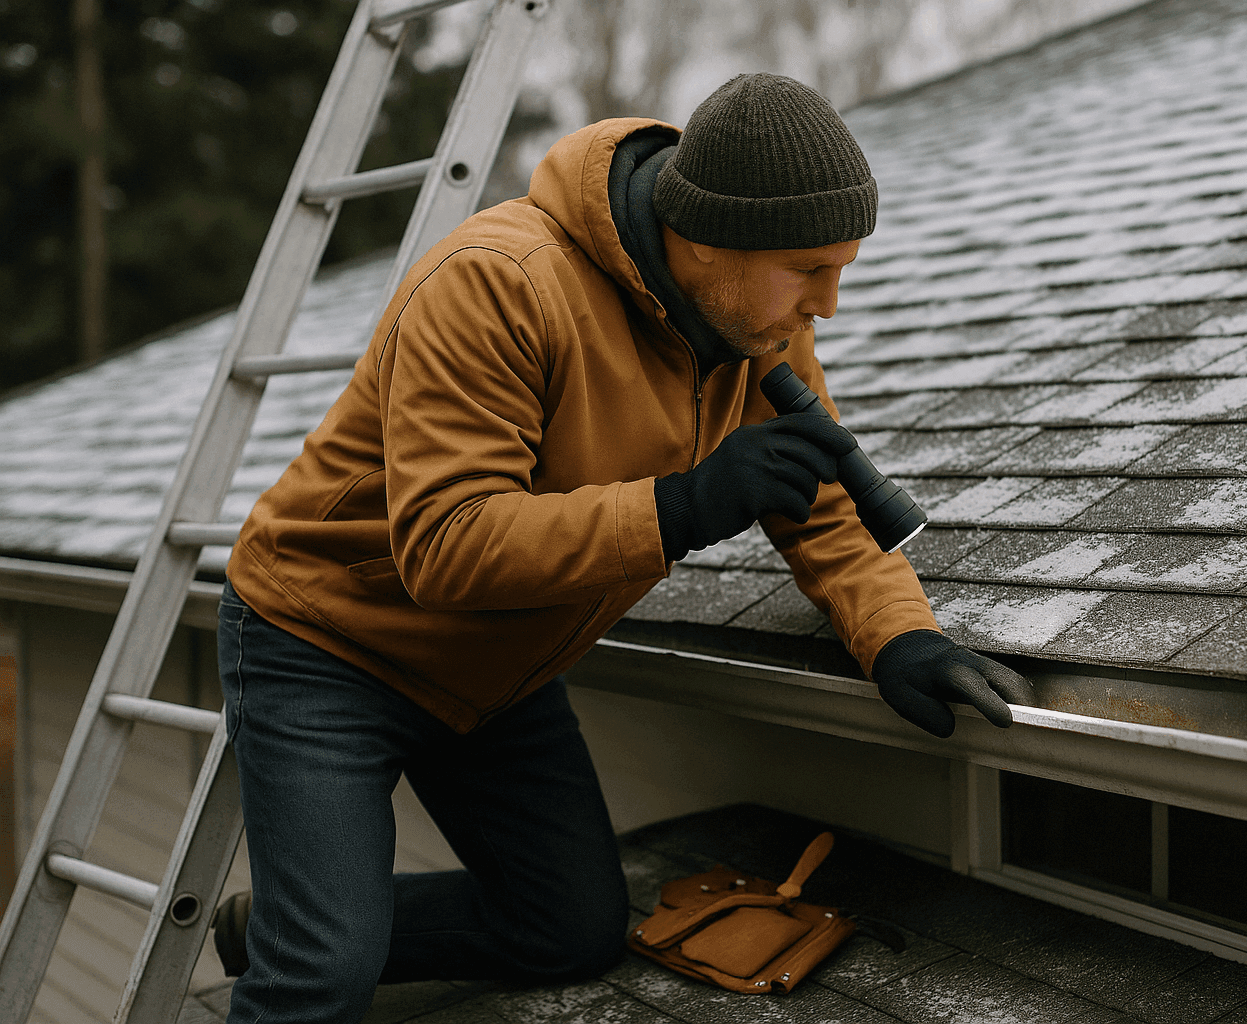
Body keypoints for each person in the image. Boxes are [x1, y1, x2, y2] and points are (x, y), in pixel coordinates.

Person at [214, 72, 1034, 1023]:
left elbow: (822, 501)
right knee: (322, 976)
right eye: (812, 269)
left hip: (496, 671)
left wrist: (900, 638)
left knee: (569, 930)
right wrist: (682, 507)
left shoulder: (756, 321)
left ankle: (283, 925)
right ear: (704, 241)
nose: (830, 304)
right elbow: (448, 544)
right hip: (331, 647)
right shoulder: (496, 282)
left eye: (842, 267)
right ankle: (311, 940)